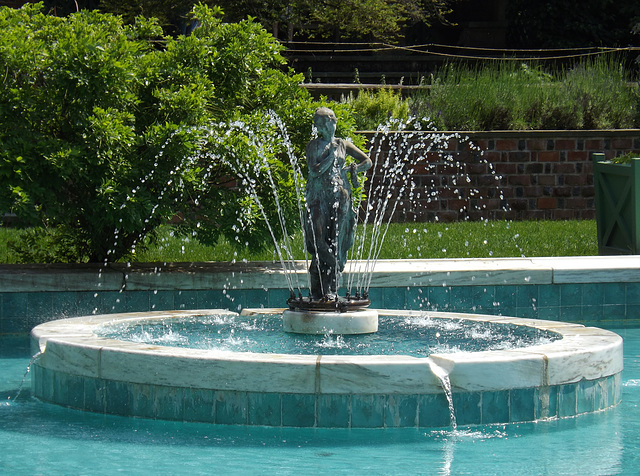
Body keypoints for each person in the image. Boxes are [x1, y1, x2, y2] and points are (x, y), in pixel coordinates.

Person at [304, 107, 372, 300]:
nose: (319, 127)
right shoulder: (314, 146)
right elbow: (314, 171)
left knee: (336, 241)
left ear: (331, 122)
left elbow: (368, 161)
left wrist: (354, 169)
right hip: (318, 199)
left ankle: (329, 291)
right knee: (318, 242)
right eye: (318, 124)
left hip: (340, 198)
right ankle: (334, 268)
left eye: (321, 123)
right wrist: (331, 157)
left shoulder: (343, 144)